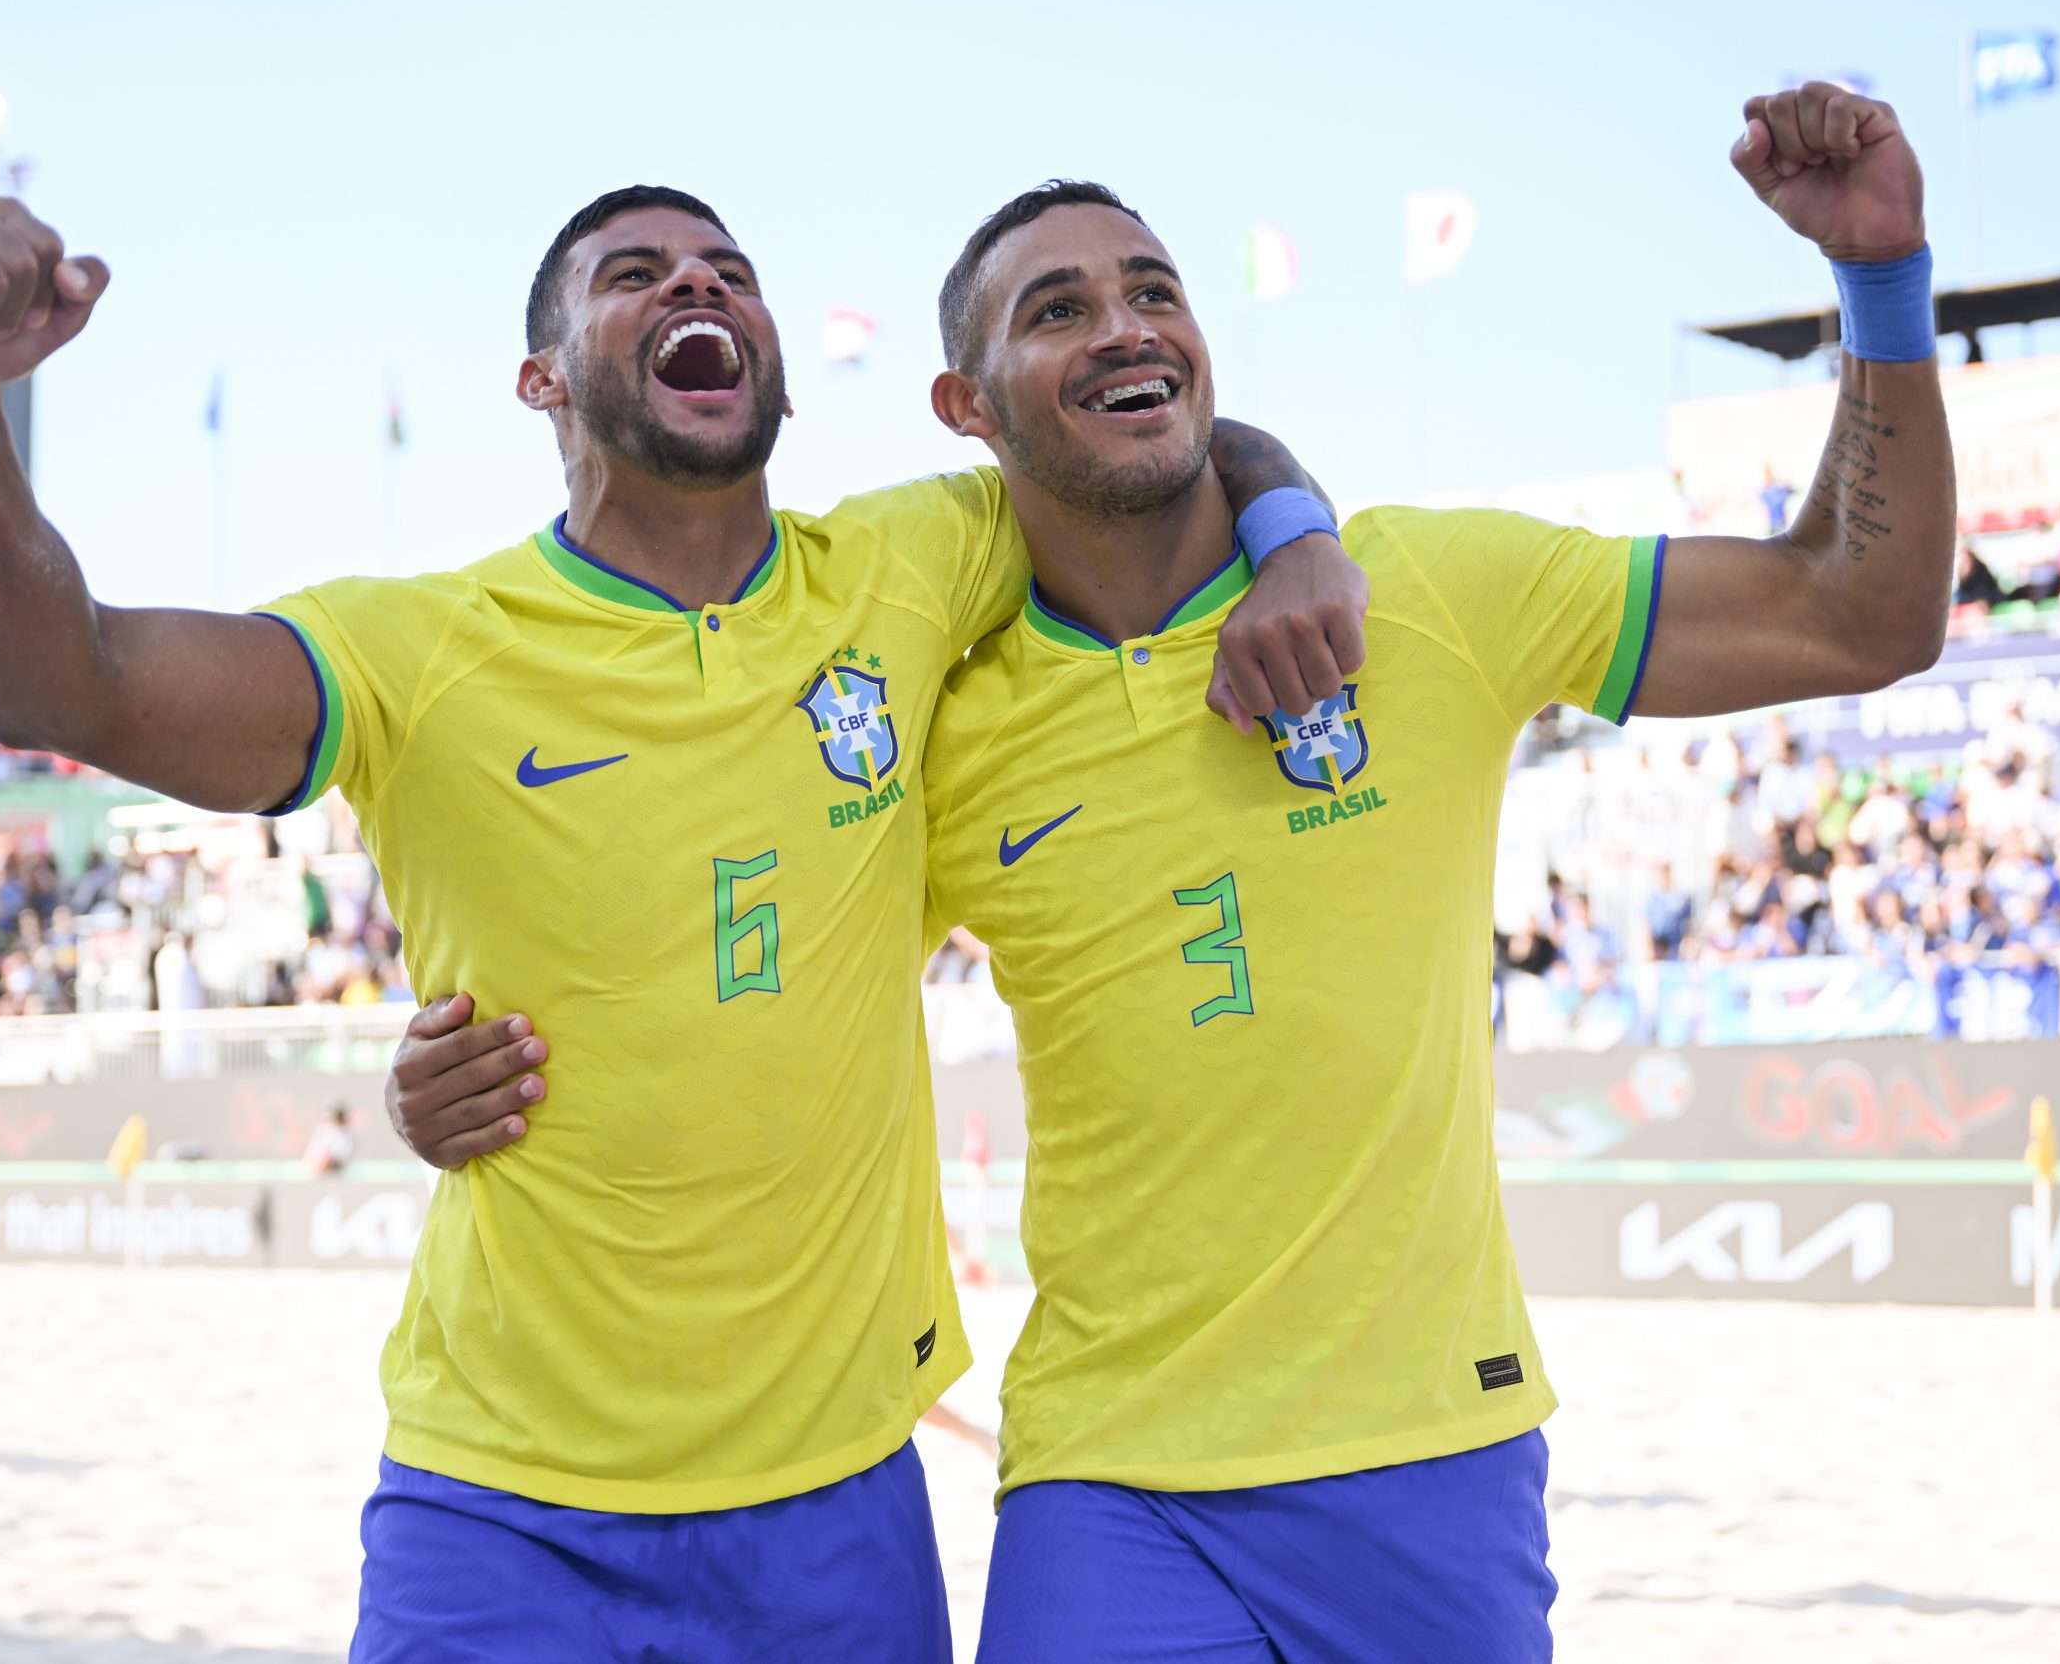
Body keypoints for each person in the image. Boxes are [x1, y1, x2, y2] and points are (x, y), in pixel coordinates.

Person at [401, 81, 1954, 1660]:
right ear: (968, 406)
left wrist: (1881, 284)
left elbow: (1862, 616)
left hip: (1436, 1450)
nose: (1127, 326)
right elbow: (728, 959)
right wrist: (451, 1070)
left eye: (1155, 291)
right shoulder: (950, 727)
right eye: (1060, 308)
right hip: (1109, 1475)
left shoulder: (1431, 591)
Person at [0, 185, 1361, 1660]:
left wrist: (1295, 532)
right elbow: (66, 684)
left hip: (838, 1496)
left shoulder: (915, 564)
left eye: (728, 269)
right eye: (634, 274)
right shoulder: (426, 649)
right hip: (508, 1506)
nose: (695, 290)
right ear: (542, 378)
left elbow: (1146, 437)